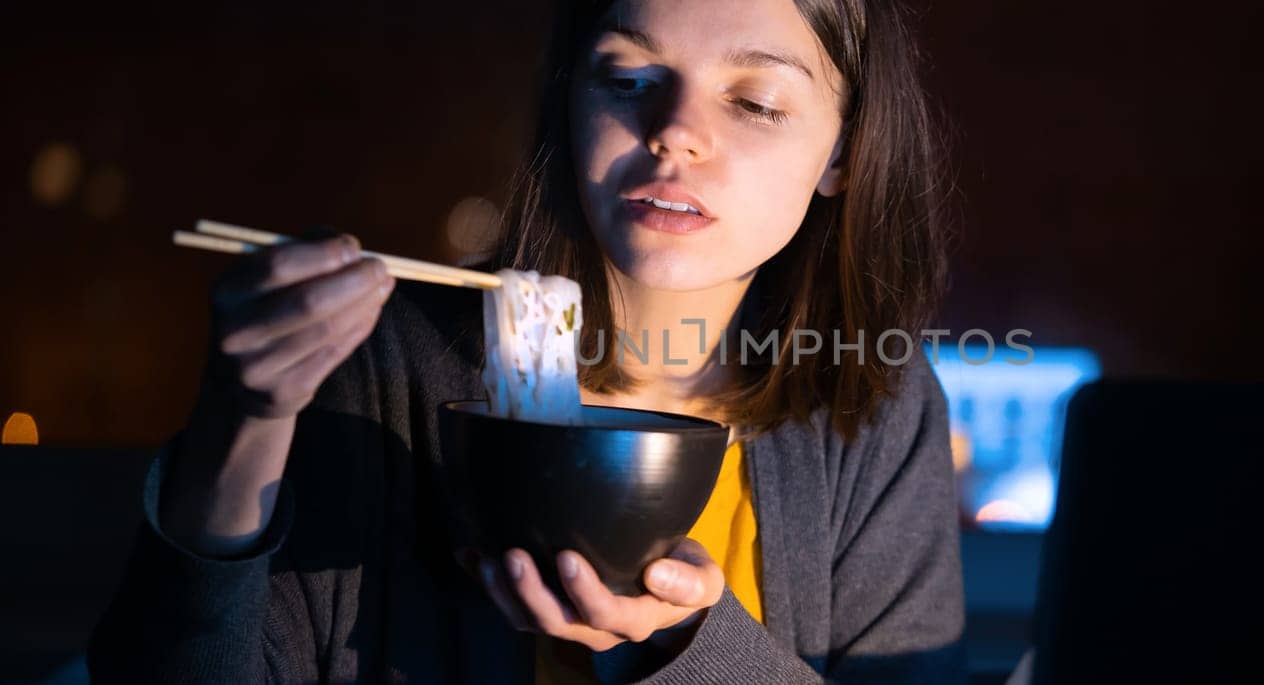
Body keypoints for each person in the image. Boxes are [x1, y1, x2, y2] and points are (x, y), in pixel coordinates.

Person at [89, 0, 964, 681]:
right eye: (626, 78)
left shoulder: (871, 401)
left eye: (756, 101)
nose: (674, 130)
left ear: (843, 154)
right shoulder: (387, 362)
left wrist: (679, 649)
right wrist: (242, 418)